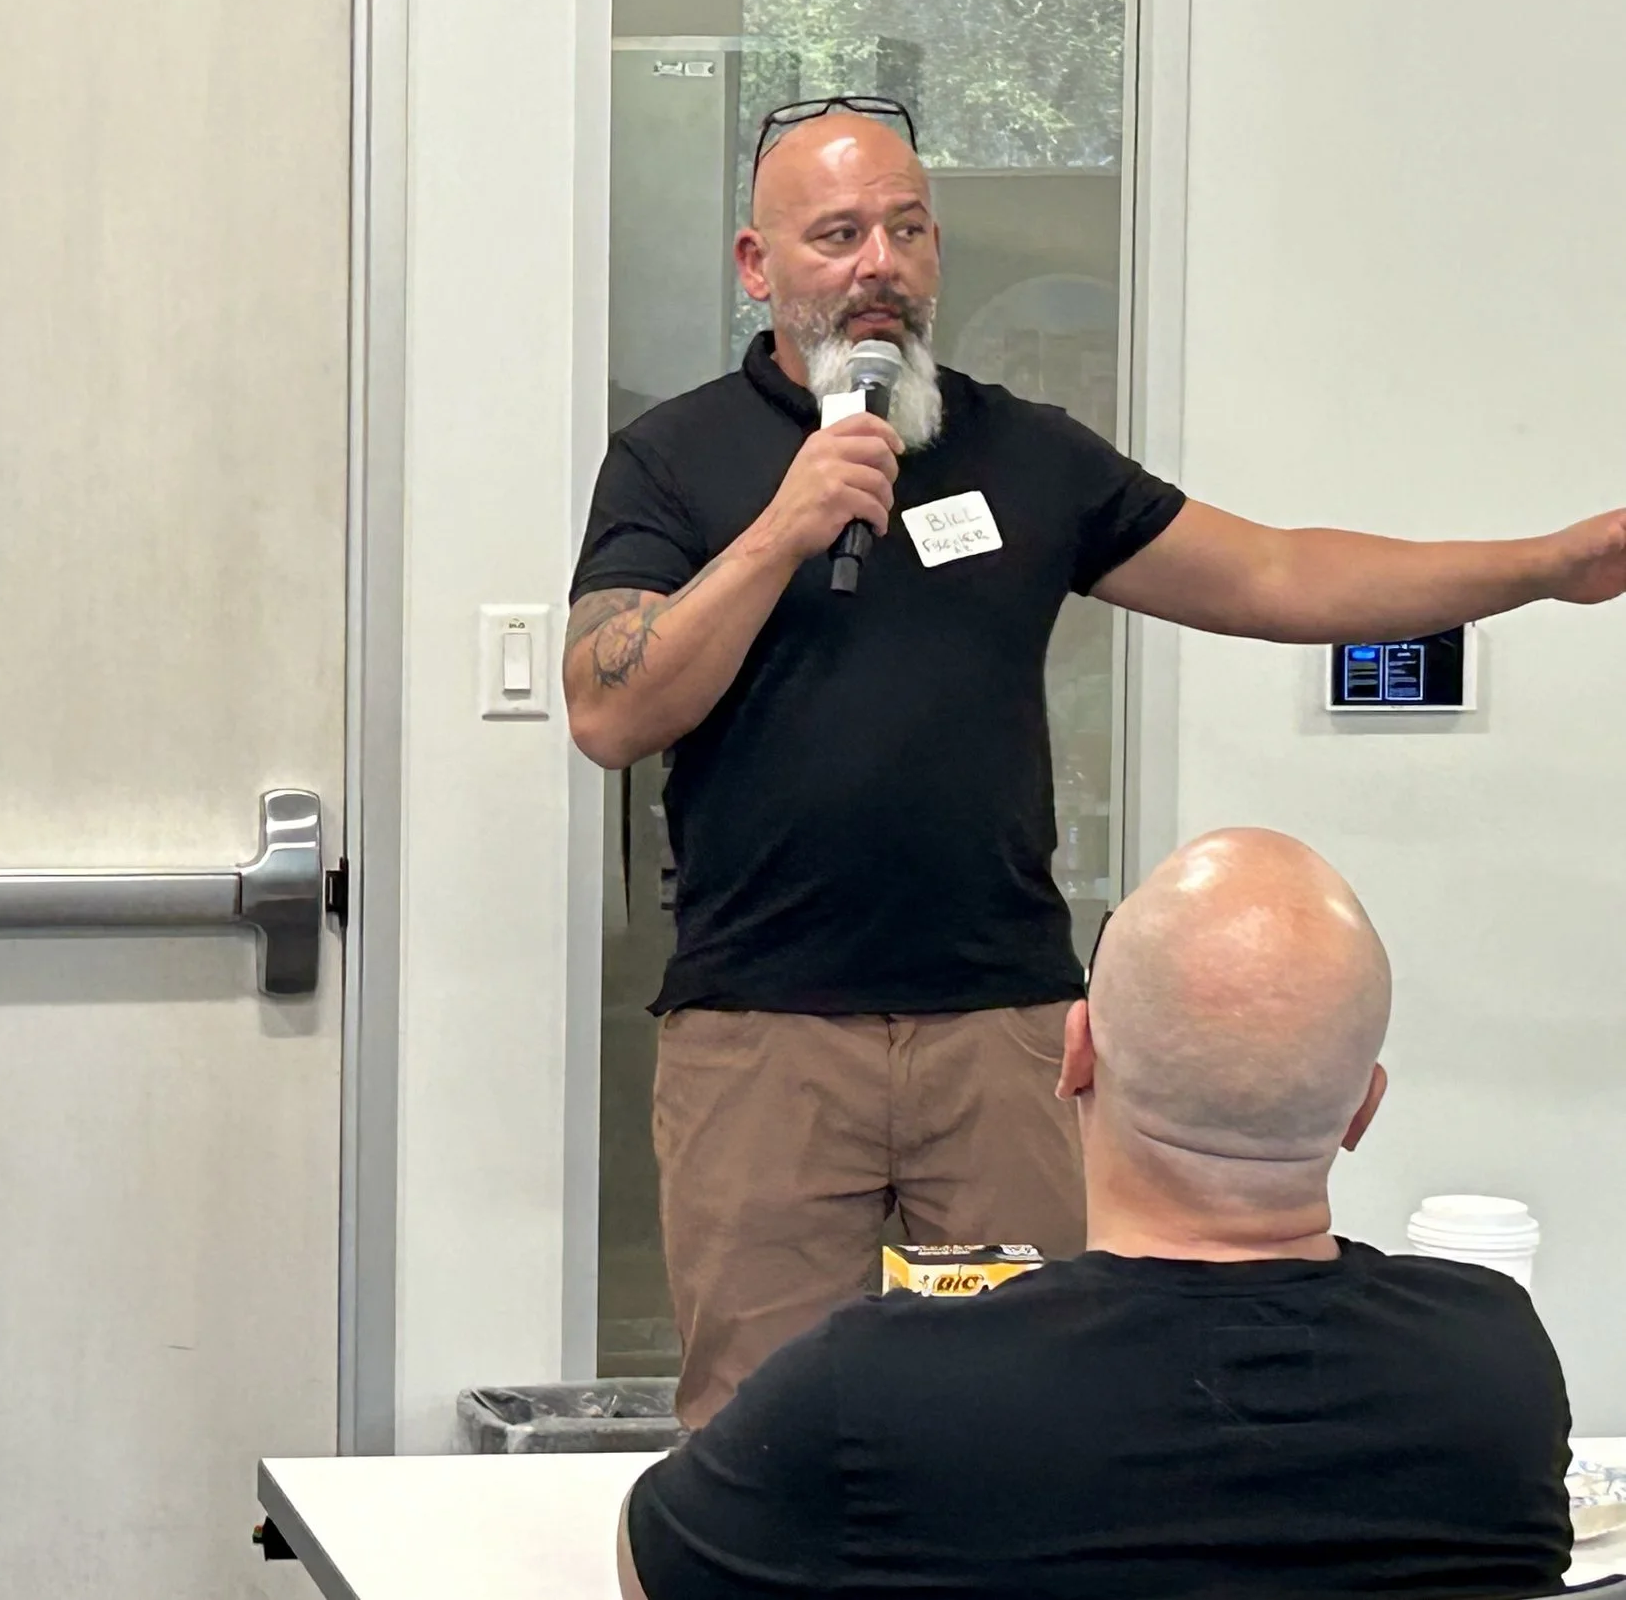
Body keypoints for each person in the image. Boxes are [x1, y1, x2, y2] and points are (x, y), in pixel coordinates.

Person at [566, 97, 1626, 1427]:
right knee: (762, 1425)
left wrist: (1549, 566)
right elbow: (607, 709)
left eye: (906, 228)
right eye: (836, 234)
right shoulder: (674, 459)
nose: (879, 263)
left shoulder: (1023, 452)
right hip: (763, 1031)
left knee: (1040, 1414)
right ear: (755, 263)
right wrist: (785, 528)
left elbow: (1275, 572)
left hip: (1003, 1029)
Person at [619, 828, 1575, 1600]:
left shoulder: (876, 1390)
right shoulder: (1496, 1366)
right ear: (1364, 1107)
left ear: (1075, 1055)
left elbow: (651, 1566)